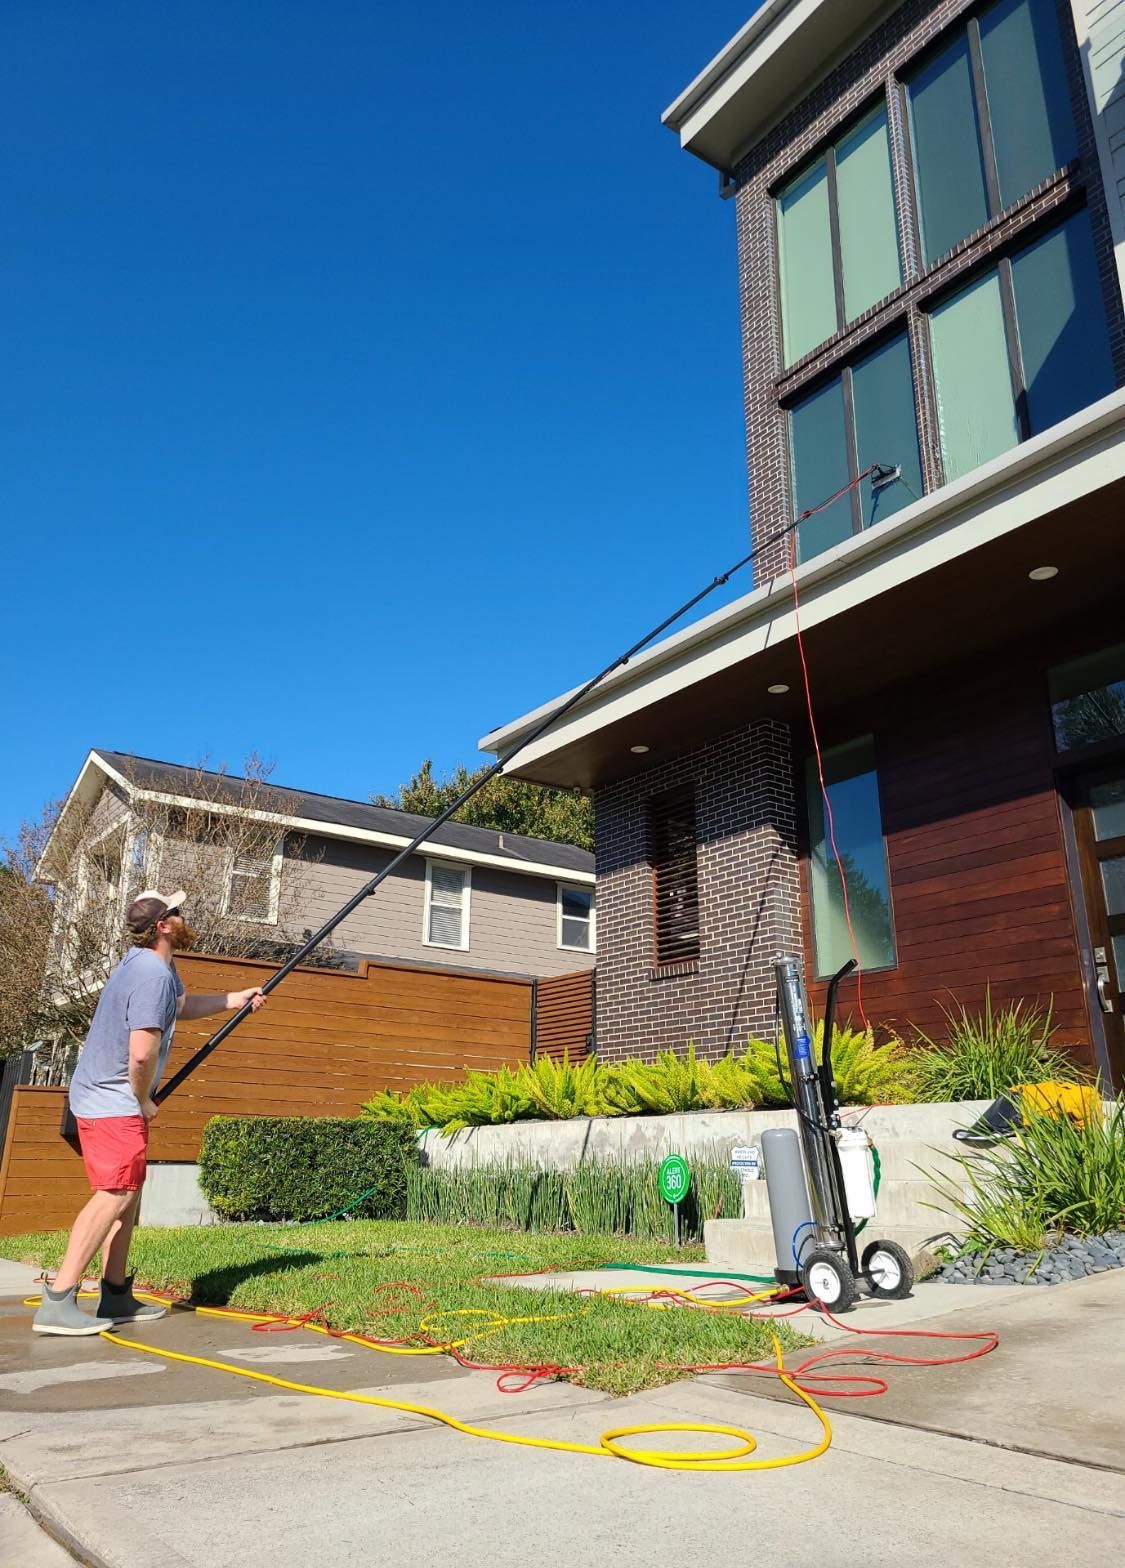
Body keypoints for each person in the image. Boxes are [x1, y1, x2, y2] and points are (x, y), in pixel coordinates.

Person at [33, 889, 267, 1336]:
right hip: (112, 1100)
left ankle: (115, 1294)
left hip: (109, 1097)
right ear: (162, 926)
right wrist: (142, 1101)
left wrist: (234, 999)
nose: (184, 915)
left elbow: (180, 1007)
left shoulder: (154, 967)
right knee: (115, 1191)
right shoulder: (150, 975)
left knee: (128, 1191)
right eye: (177, 912)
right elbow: (141, 1054)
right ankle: (59, 1300)